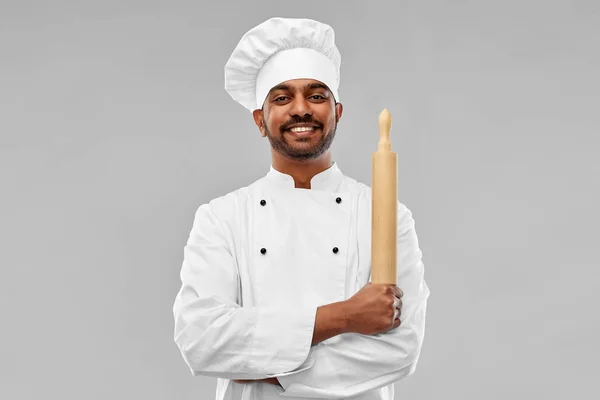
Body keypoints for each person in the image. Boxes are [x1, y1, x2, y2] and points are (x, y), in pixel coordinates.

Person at [172, 17, 430, 400]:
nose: (300, 109)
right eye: (281, 98)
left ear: (337, 112)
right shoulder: (222, 218)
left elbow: (401, 348)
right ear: (260, 120)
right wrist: (344, 317)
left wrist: (270, 370)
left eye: (316, 95)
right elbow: (201, 339)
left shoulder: (385, 215)